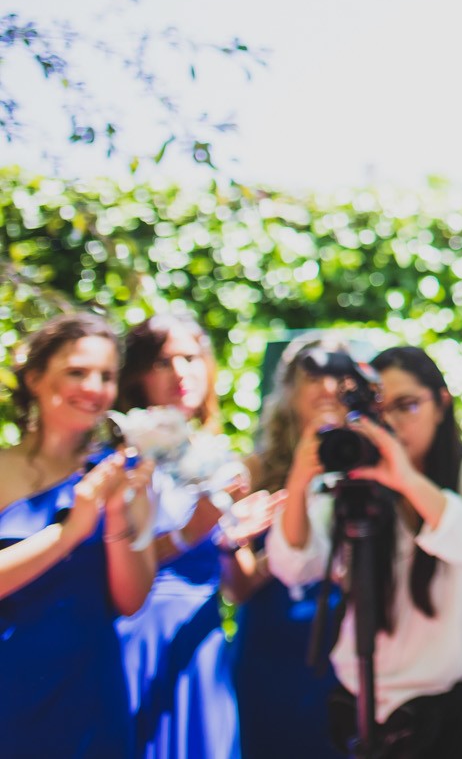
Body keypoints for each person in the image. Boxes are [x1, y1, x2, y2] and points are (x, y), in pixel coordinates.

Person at [268, 344, 462, 758]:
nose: (394, 421)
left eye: (408, 405)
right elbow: (295, 564)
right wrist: (299, 481)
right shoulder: (359, 479)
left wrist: (405, 479)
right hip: (366, 708)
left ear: (441, 403)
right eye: (382, 409)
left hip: (461, 712)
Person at [0, 311, 158, 759]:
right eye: (77, 372)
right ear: (34, 379)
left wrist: (114, 514)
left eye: (106, 376)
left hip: (90, 685)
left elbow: (131, 600)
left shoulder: (124, 474)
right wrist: (71, 532)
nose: (94, 388)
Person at [116, 312, 262, 759]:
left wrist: (233, 540)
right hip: (135, 637)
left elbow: (239, 589)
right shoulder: (123, 458)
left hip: (202, 642)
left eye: (190, 358)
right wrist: (187, 533)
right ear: (139, 373)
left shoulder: (225, 460)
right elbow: (111, 562)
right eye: (164, 361)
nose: (181, 372)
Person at [230, 334, 356, 759]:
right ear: (288, 389)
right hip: (272, 648)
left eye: (340, 375)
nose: (327, 387)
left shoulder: (376, 465)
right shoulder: (255, 471)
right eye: (313, 375)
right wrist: (283, 556)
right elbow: (235, 589)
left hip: (352, 650)